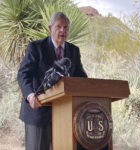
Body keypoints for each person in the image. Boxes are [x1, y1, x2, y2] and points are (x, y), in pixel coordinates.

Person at [17, 12, 88, 150]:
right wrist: (30, 95)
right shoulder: (36, 47)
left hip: (64, 113)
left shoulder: (74, 51)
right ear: (50, 28)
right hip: (38, 111)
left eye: (66, 27)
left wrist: (90, 90)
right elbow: (23, 74)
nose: (63, 31)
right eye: (59, 27)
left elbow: (81, 77)